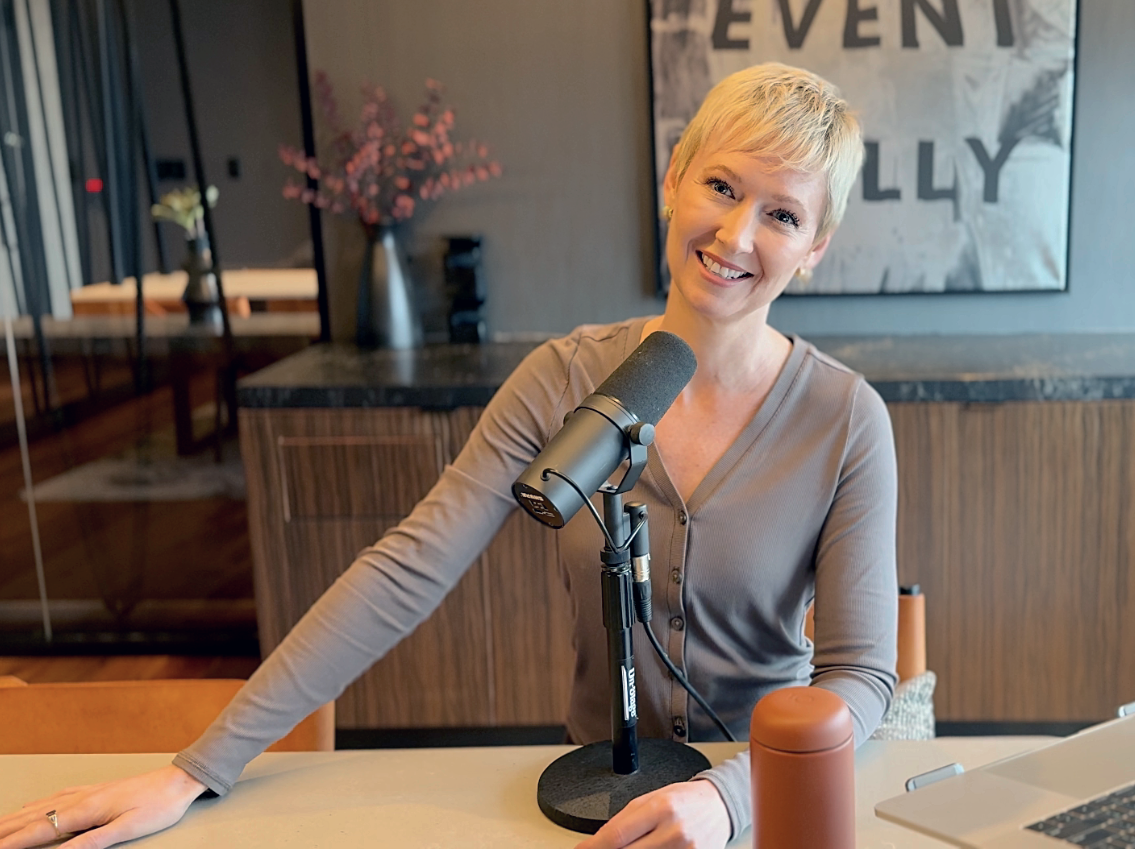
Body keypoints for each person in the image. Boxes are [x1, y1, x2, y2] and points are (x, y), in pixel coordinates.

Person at [0, 62, 897, 849]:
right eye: (722, 186)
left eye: (782, 214)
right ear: (674, 180)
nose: (737, 235)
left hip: (772, 805)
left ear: (814, 248)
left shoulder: (847, 418)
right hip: (594, 812)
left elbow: (860, 677)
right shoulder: (564, 378)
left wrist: (729, 797)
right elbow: (408, 568)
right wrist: (197, 769)